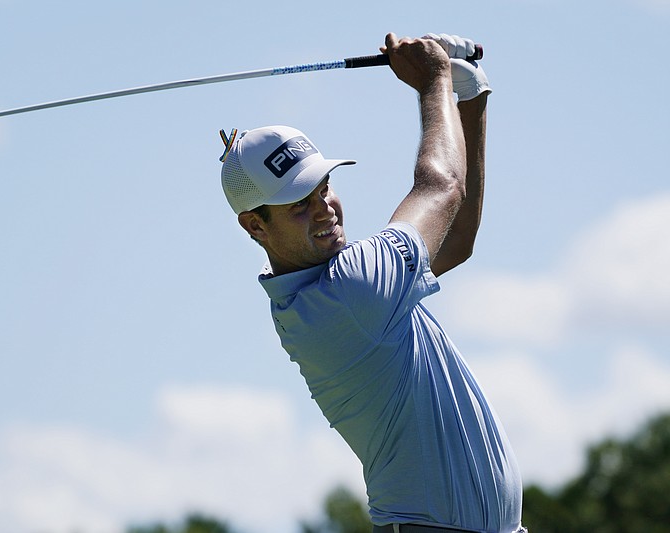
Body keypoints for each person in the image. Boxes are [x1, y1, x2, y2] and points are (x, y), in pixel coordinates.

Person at [219, 32, 526, 533]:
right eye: (300, 203)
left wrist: (469, 97)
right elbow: (441, 186)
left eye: (324, 187)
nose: (325, 208)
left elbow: (457, 237)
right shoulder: (351, 292)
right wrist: (432, 83)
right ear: (255, 226)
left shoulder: (346, 290)